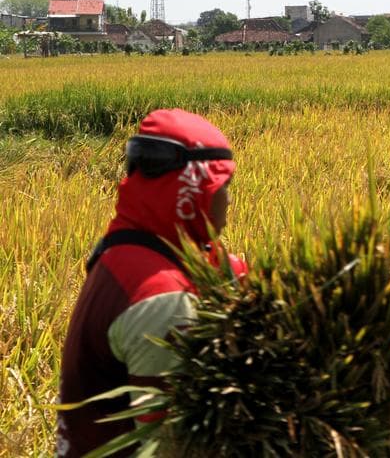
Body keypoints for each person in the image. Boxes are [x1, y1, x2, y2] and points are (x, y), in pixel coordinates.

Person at [57, 108, 247, 457]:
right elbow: (171, 448)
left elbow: (229, 271)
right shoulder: (164, 301)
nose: (229, 199)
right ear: (194, 189)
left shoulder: (129, 250)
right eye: (224, 185)